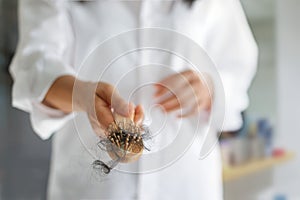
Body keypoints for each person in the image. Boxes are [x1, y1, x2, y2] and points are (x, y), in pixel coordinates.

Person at [9, 0, 257, 199]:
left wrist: (210, 86)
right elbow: (33, 68)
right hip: (92, 191)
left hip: (187, 185)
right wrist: (84, 96)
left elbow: (238, 67)